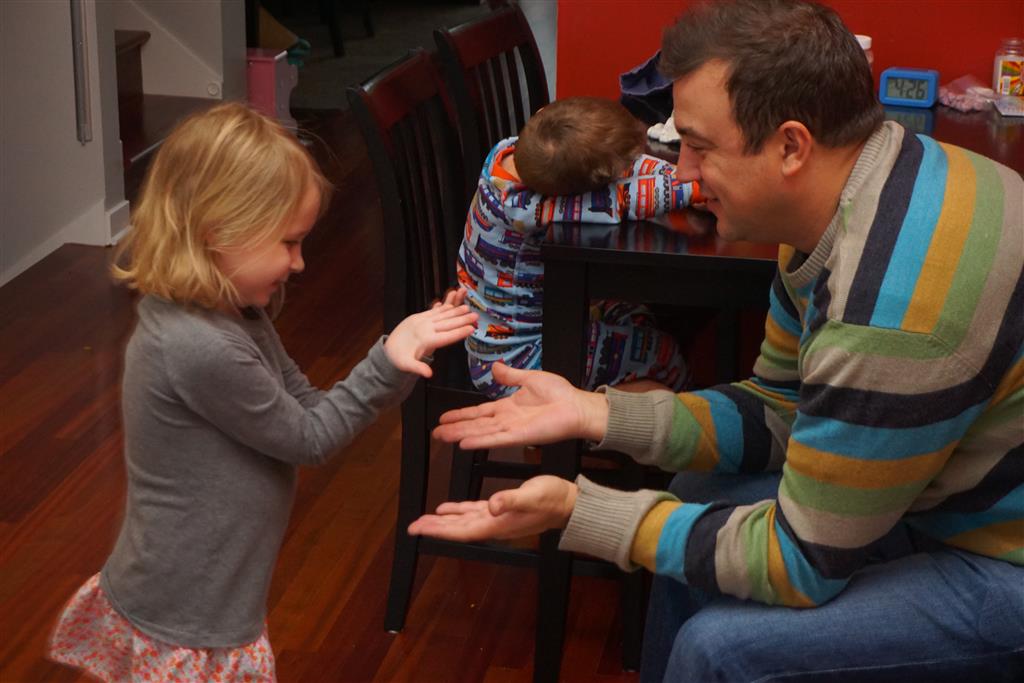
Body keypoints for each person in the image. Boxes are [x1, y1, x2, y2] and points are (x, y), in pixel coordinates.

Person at [410, 1, 1024, 681]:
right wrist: (598, 412)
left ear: (791, 147)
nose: (682, 171)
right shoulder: (862, 191)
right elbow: (780, 407)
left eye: (698, 147)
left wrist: (580, 508)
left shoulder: (888, 308)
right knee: (700, 491)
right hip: (944, 491)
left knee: (720, 648)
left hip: (1001, 560)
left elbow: (800, 563)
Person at [47, 102, 477, 682]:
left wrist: (404, 354)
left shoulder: (228, 313)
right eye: (288, 243)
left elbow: (305, 403)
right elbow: (310, 437)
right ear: (218, 233)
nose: (299, 263)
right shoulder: (199, 345)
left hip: (211, 595)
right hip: (187, 610)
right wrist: (385, 360)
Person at [458, 96, 703, 399]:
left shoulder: (509, 152)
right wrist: (698, 187)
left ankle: (618, 402)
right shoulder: (527, 209)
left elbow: (629, 168)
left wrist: (674, 173)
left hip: (513, 336)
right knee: (663, 354)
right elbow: (625, 199)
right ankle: (680, 419)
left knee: (633, 312)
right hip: (520, 361)